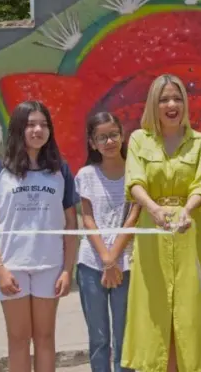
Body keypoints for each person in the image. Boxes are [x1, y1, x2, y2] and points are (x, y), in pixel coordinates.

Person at [121, 74, 201, 372]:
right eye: (164, 99)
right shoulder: (139, 139)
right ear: (154, 104)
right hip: (152, 233)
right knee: (155, 310)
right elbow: (134, 181)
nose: (171, 105)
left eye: (177, 98)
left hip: (190, 235)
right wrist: (153, 208)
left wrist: (187, 210)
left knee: (190, 314)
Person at [0, 100, 79, 372]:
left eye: (43, 125)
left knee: (45, 337)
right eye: (31, 124)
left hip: (49, 267)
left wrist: (67, 270)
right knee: (19, 339)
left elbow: (71, 224)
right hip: (12, 268)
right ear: (19, 128)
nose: (38, 130)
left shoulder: (60, 170)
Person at [76, 112, 140, 372]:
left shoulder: (135, 172)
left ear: (122, 136)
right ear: (92, 143)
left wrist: (114, 258)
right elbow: (88, 219)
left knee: (125, 336)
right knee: (99, 337)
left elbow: (134, 216)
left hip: (127, 263)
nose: (109, 141)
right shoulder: (86, 175)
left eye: (113, 134)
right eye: (101, 137)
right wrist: (105, 258)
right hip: (92, 264)